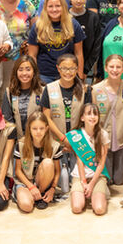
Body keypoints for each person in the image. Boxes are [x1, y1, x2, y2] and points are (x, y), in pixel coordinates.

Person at [41, 54, 89, 193]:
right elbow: (47, 118)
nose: (68, 72)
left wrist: (73, 141)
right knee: (61, 185)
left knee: (77, 182)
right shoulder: (49, 89)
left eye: (72, 68)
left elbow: (87, 118)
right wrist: (63, 139)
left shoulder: (85, 89)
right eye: (64, 68)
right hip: (56, 140)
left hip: (78, 141)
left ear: (77, 69)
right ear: (58, 69)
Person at [91, 54, 123, 185]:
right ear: (105, 68)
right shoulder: (96, 89)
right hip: (104, 141)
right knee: (107, 180)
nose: (115, 70)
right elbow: (93, 119)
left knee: (120, 180)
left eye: (118, 67)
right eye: (111, 66)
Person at [28, 0, 86, 83]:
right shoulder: (37, 26)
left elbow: (79, 53)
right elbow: (32, 56)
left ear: (63, 7)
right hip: (44, 74)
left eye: (58, 6)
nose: (54, 9)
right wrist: (34, 77)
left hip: (68, 73)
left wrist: (80, 77)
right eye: (50, 6)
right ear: (45, 8)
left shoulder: (73, 24)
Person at [0, 0, 38, 85]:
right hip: (1, 58)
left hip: (23, 58)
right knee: (5, 92)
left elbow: (37, 30)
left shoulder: (27, 5)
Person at [13, 112, 62, 212]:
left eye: (41, 128)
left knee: (48, 162)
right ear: (29, 129)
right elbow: (18, 171)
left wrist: (52, 188)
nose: (38, 132)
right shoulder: (21, 144)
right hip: (26, 182)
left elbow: (57, 172)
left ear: (47, 128)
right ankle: (32, 196)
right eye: (34, 128)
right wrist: (31, 187)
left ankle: (41, 193)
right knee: (27, 206)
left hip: (43, 182)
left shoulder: (55, 146)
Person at [68, 103, 110, 215]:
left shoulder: (103, 134)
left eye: (95, 114)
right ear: (82, 117)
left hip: (97, 176)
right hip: (80, 176)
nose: (92, 117)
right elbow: (80, 160)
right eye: (88, 114)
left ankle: (100, 191)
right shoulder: (76, 135)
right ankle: (83, 192)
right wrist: (84, 182)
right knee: (77, 208)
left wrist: (91, 185)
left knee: (99, 209)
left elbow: (101, 163)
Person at [2, 55, 43, 139]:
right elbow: (8, 122)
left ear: (34, 72)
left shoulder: (43, 91)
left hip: (39, 139)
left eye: (28, 69)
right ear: (16, 72)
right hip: (18, 141)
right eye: (20, 70)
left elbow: (47, 119)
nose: (24, 73)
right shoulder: (9, 92)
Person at [69, 0, 101, 78]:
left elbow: (97, 46)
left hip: (86, 68)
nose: (78, 0)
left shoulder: (93, 17)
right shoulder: (64, 16)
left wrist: (85, 69)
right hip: (66, 66)